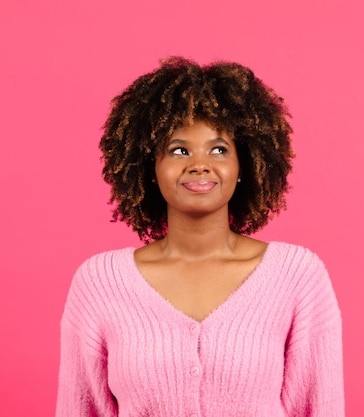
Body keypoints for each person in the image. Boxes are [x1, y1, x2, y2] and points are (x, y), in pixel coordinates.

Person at [55, 57, 344, 417]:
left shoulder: (297, 275)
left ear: (244, 165)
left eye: (219, 149)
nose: (199, 164)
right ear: (151, 167)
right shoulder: (99, 282)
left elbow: (318, 407)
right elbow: (80, 409)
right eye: (179, 150)